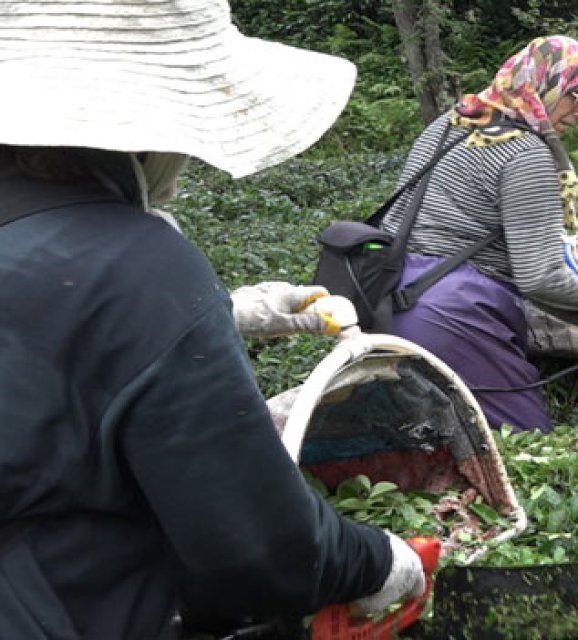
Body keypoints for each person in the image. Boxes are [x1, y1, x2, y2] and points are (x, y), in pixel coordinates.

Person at [0, 0, 425, 637]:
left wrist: (229, 310)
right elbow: (260, 550)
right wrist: (379, 560)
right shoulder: (136, 265)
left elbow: (39, 332)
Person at [380, 35, 578, 434]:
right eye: (576, 97)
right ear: (542, 84)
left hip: (385, 304)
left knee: (419, 447)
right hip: (454, 318)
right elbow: (540, 278)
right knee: (521, 447)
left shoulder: (453, 121)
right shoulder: (524, 154)